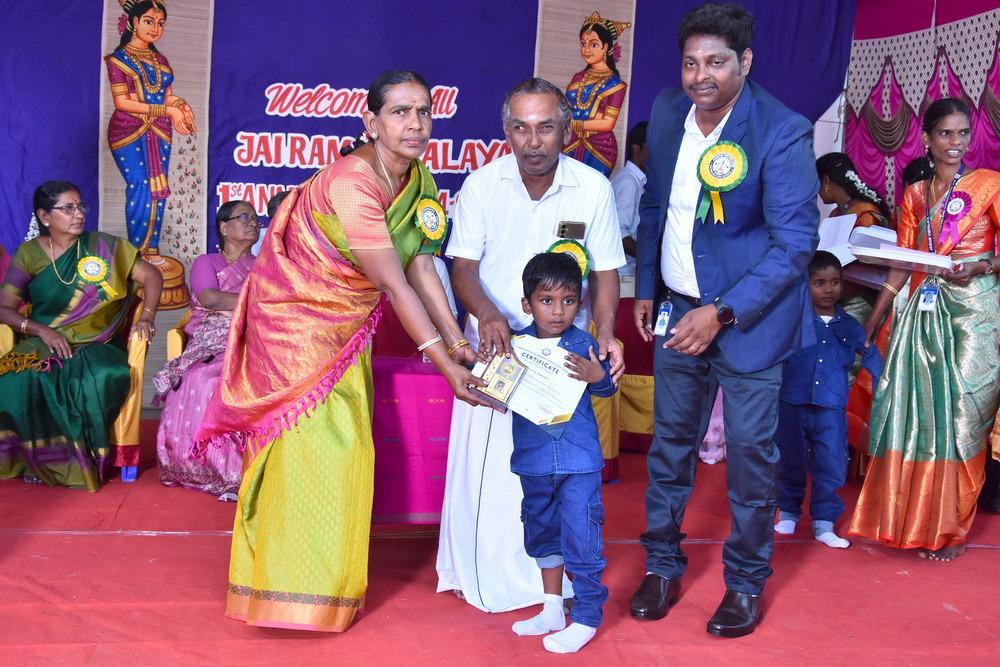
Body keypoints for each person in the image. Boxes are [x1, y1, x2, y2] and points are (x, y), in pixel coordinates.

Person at [194, 70, 486, 632]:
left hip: (346, 326)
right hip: (297, 325)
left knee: (349, 450)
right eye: (400, 112)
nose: (416, 124)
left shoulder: (418, 178)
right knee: (319, 448)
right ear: (370, 122)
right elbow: (393, 284)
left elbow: (422, 264)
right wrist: (448, 368)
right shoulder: (354, 182)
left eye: (424, 112)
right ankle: (284, 590)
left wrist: (458, 343)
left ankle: (324, 591)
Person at [630, 3, 819, 638]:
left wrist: (723, 312)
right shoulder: (666, 112)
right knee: (669, 449)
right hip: (679, 312)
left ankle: (744, 583)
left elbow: (795, 244)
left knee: (749, 461)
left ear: (746, 62)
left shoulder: (782, 130)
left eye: (716, 62)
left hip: (749, 324)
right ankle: (661, 567)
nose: (700, 76)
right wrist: (649, 287)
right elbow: (655, 204)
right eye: (690, 63)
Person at [437, 77, 625, 614]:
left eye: (545, 127)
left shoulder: (592, 187)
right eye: (521, 128)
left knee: (557, 469)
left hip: (561, 358)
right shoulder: (482, 184)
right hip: (496, 349)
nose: (533, 140)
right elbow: (462, 268)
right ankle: (483, 572)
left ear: (566, 129)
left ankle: (552, 587)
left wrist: (605, 330)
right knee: (493, 467)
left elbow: (605, 271)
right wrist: (489, 315)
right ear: (506, 130)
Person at [850, 97, 1000, 562]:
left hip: (975, 311)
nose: (956, 143)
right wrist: (873, 320)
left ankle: (952, 524)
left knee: (963, 414)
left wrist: (979, 266)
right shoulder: (914, 195)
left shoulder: (990, 186)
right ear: (927, 139)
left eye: (963, 133)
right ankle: (916, 520)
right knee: (922, 415)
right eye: (945, 134)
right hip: (924, 313)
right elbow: (903, 263)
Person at [0, 180, 162, 490]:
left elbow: (152, 276)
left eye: (80, 206)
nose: (79, 214)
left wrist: (147, 315)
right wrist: (41, 330)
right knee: (16, 379)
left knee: (97, 377)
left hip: (98, 342)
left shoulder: (104, 247)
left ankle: (77, 461)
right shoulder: (29, 253)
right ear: (45, 217)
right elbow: (5, 307)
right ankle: (36, 459)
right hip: (44, 340)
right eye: (68, 208)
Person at [508, 253, 616, 654]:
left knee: (582, 536)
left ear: (580, 303)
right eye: (546, 300)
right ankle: (552, 607)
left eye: (568, 301)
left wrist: (597, 375)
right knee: (542, 533)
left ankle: (586, 616)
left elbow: (607, 389)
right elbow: (497, 395)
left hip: (579, 461)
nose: (557, 311)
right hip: (533, 461)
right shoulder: (515, 347)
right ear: (527, 304)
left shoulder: (585, 343)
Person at [774, 252, 882, 549]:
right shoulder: (792, 321)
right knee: (789, 459)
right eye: (819, 283)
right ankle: (789, 512)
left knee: (831, 463)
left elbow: (871, 356)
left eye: (835, 282)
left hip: (831, 408)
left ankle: (824, 522)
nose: (829, 289)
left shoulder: (850, 326)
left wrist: (884, 386)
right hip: (792, 403)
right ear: (805, 285)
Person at [152, 201, 258, 500]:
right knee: (209, 378)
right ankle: (208, 467)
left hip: (256, 335)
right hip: (213, 337)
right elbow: (210, 298)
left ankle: (254, 468)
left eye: (255, 218)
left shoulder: (264, 264)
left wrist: (250, 306)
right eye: (244, 217)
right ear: (224, 226)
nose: (253, 222)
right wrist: (258, 300)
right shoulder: (207, 262)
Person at [106, 0, 195, 253]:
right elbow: (123, 103)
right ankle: (136, 253)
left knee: (158, 188)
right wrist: (168, 111)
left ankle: (151, 251)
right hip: (127, 130)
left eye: (160, 23)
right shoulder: (118, 60)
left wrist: (182, 106)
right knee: (140, 186)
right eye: (148, 21)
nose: (155, 28)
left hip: (159, 131)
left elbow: (167, 96)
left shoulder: (160, 60)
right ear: (134, 22)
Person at [563, 12, 631, 177]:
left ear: (605, 47)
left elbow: (608, 123)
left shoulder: (616, 85)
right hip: (569, 142)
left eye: (593, 44)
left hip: (600, 148)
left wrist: (576, 125)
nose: (586, 50)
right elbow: (566, 109)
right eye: (583, 44)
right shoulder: (578, 77)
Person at [611, 121, 648, 281]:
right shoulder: (628, 182)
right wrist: (647, 259)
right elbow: (619, 232)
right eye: (651, 147)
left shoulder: (636, 180)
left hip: (629, 272)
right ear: (636, 148)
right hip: (623, 274)